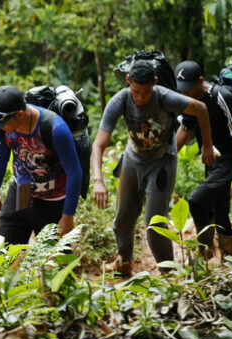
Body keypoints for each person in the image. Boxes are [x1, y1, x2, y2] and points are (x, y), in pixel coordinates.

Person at [92, 60, 215, 277]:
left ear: (155, 84)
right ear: (128, 81)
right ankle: (124, 262)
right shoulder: (120, 100)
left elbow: (201, 109)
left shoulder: (165, 97)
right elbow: (98, 144)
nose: (140, 98)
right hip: (133, 159)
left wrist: (207, 145)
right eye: (136, 91)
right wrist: (98, 180)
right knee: (123, 218)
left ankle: (168, 274)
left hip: (162, 161)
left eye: (146, 92)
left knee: (154, 224)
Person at [0, 86, 83, 244]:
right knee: (6, 248)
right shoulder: (1, 125)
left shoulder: (55, 129)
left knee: (55, 259)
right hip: (23, 189)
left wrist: (68, 216)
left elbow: (74, 172)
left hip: (53, 199)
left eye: (2, 123)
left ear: (19, 114)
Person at [174, 60, 232, 258]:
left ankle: (204, 252)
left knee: (196, 201)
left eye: (187, 88)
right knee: (220, 211)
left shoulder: (221, 97)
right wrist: (167, 156)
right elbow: (185, 128)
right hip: (212, 163)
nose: (184, 93)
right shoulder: (189, 101)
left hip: (229, 161)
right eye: (181, 89)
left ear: (200, 81)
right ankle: (231, 261)